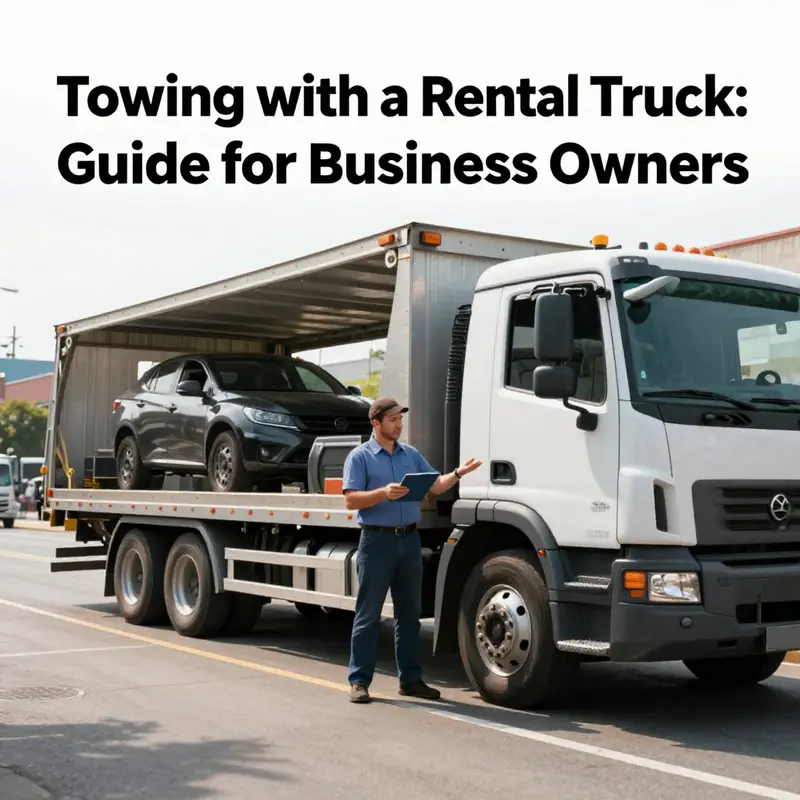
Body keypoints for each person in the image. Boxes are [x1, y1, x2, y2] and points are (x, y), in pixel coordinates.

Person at [342, 396, 482, 703]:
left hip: (409, 542)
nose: (399, 424)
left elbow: (435, 486)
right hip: (376, 542)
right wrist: (383, 493)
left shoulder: (411, 454)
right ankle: (359, 681)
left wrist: (458, 473)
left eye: (400, 419)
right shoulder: (360, 457)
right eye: (392, 420)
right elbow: (351, 500)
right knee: (368, 615)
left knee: (409, 616)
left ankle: (411, 680)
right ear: (376, 423)